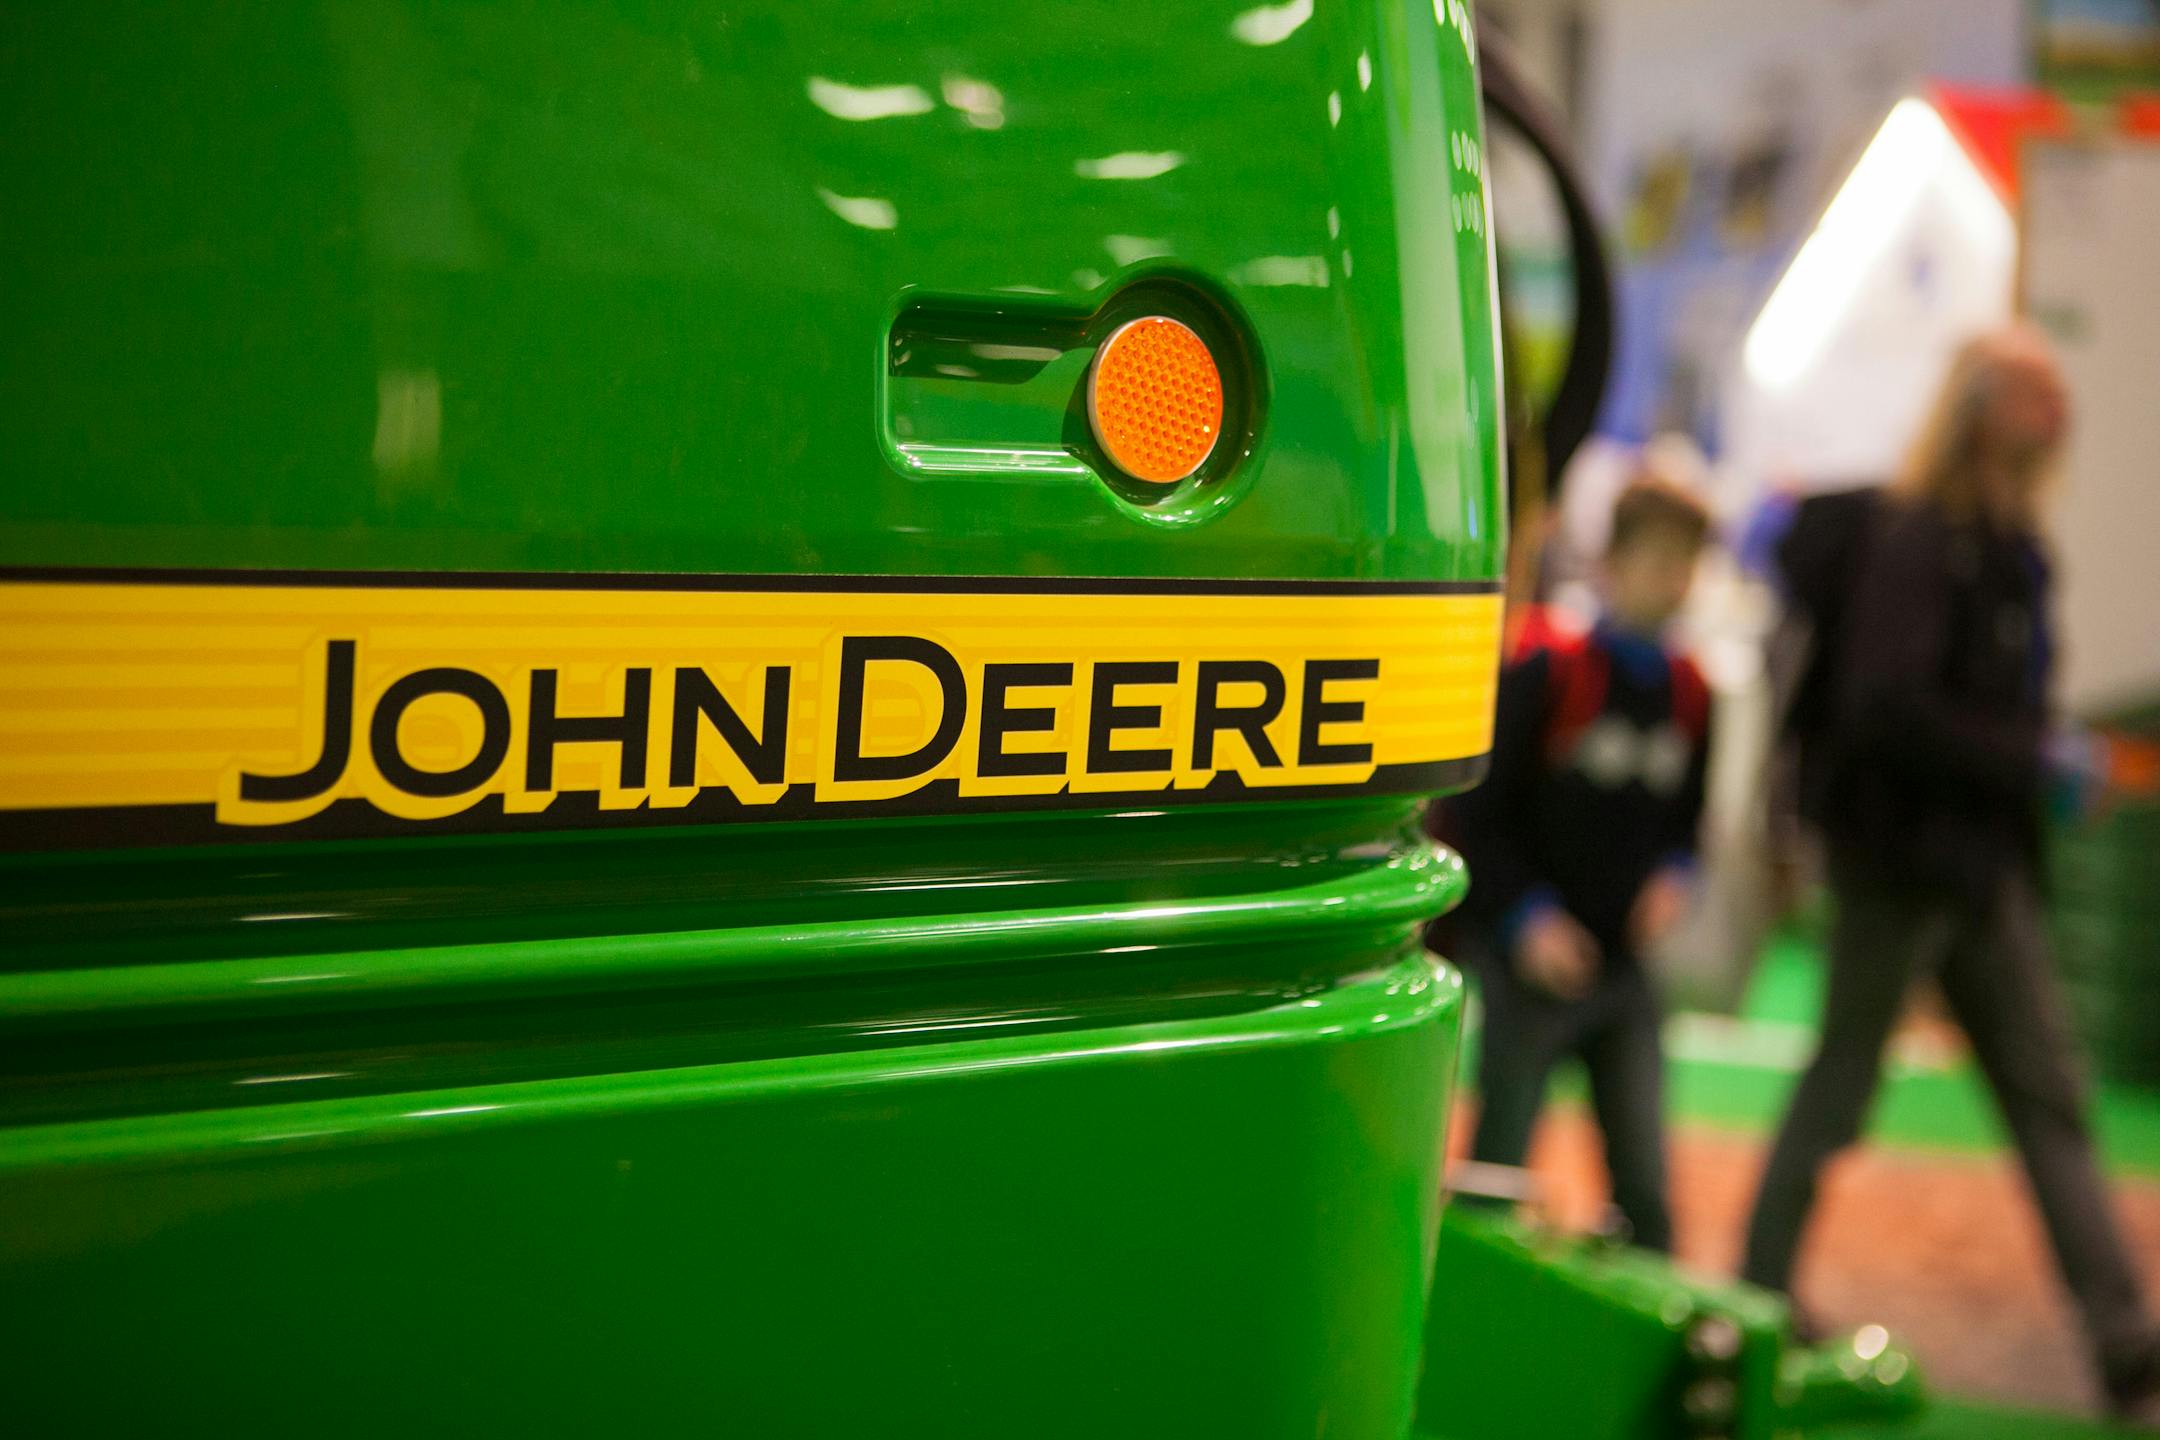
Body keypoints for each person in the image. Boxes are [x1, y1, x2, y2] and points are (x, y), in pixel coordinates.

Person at [1738, 326, 2160, 1418]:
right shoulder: (1922, 540)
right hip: (1900, 873)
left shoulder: (2015, 548)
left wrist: (2036, 764)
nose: (2060, 411)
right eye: (2039, 392)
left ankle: (2125, 1344)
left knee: (2049, 1098)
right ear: (1986, 407)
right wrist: (2033, 758)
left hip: (1983, 878)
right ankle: (1754, 1297)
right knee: (1840, 1091)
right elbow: (1886, 707)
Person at [1452, 468, 1714, 1252]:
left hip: (1623, 973)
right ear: (1613, 561)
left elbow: (1686, 826)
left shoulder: (1693, 691)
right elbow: (1474, 819)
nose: (1676, 579)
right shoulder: (1547, 669)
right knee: (1497, 1175)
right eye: (1660, 557)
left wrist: (1677, 877)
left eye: (1689, 560)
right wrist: (1526, 919)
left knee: (1647, 1188)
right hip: (1530, 967)